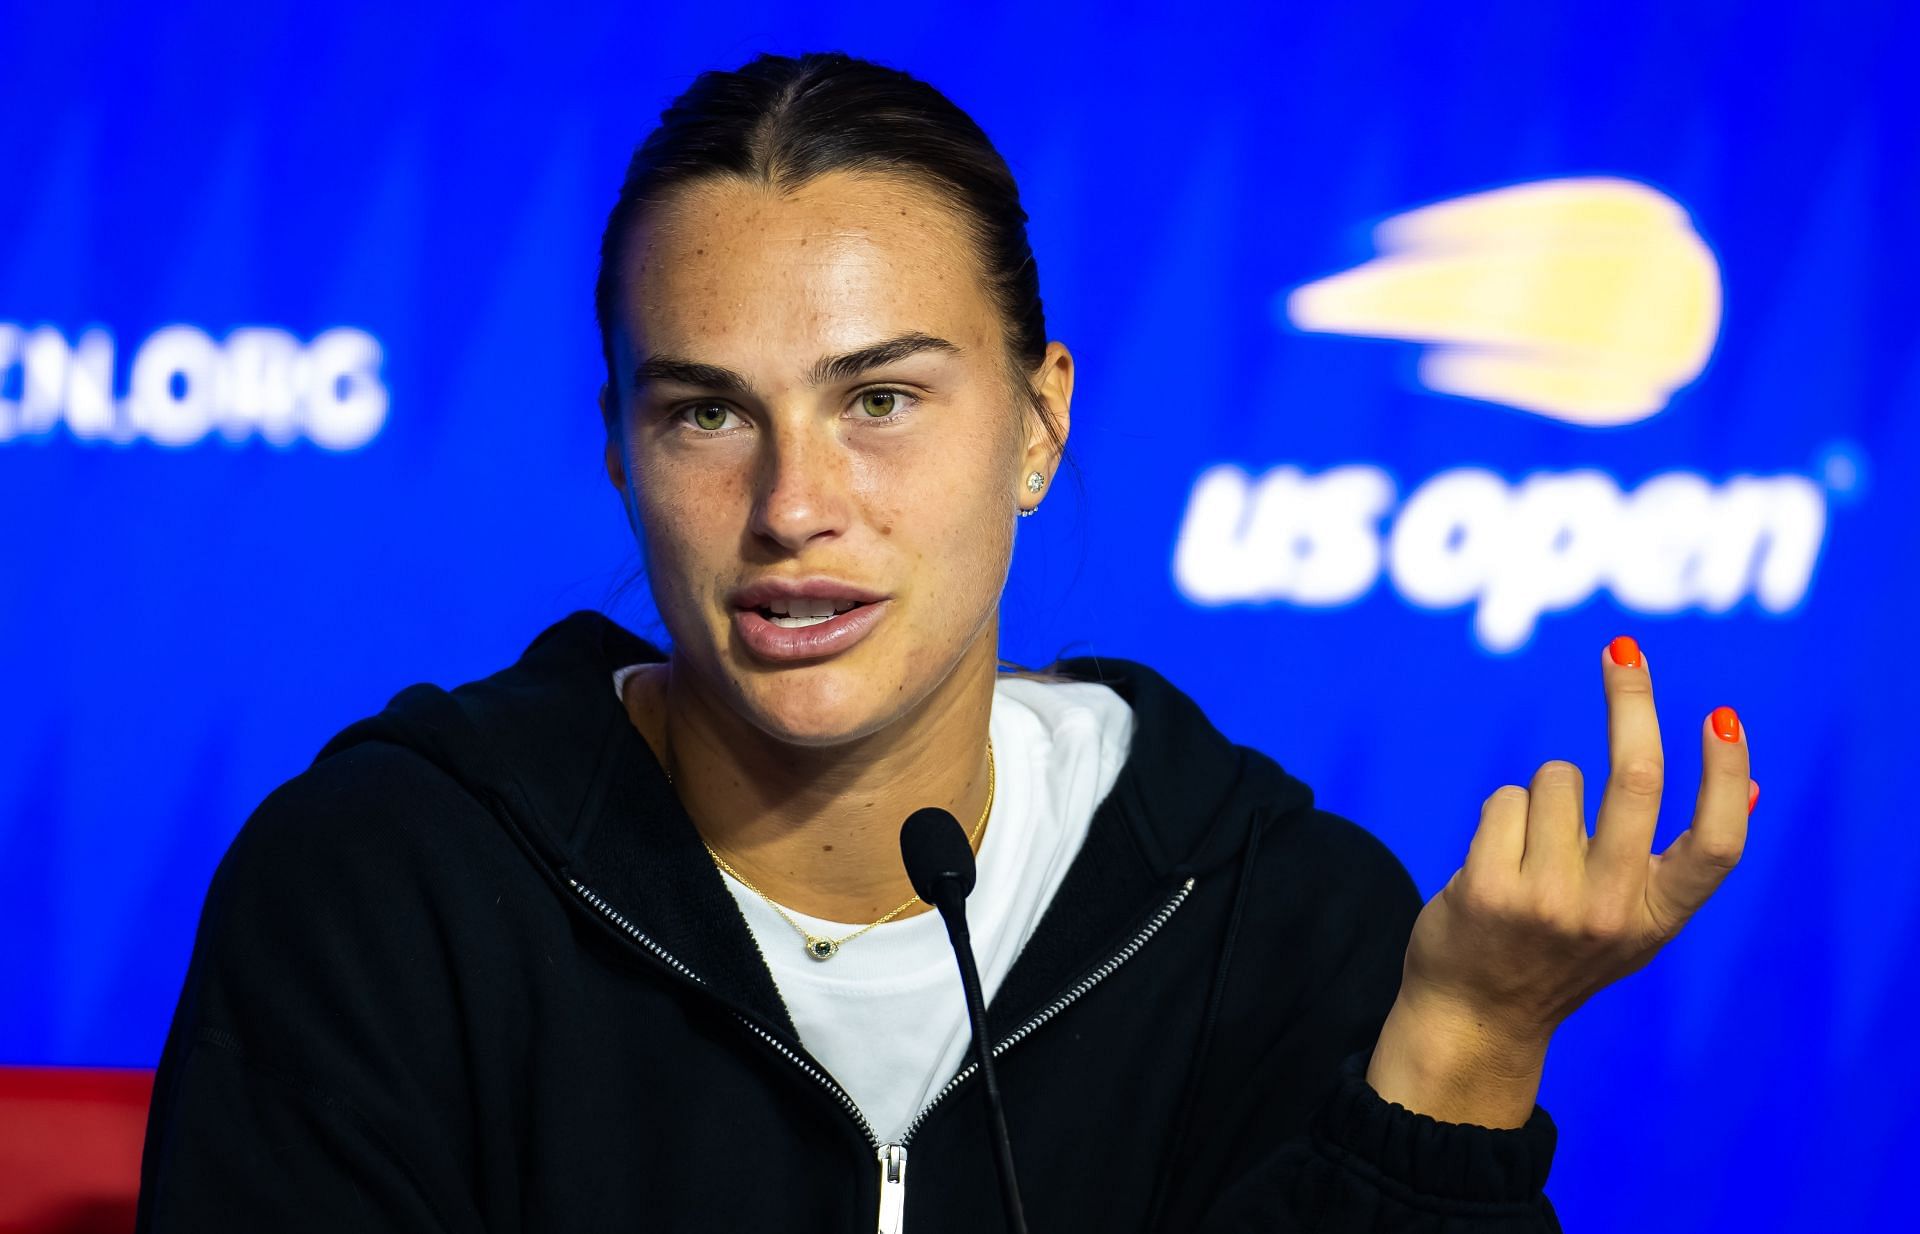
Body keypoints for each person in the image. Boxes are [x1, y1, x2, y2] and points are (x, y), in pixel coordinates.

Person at [134, 50, 1755, 1233]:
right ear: (621, 447)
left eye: (882, 399)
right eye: (706, 410)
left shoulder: (1286, 921)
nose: (794, 505)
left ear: (1039, 425)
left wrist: (1464, 1050)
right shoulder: (380, 886)